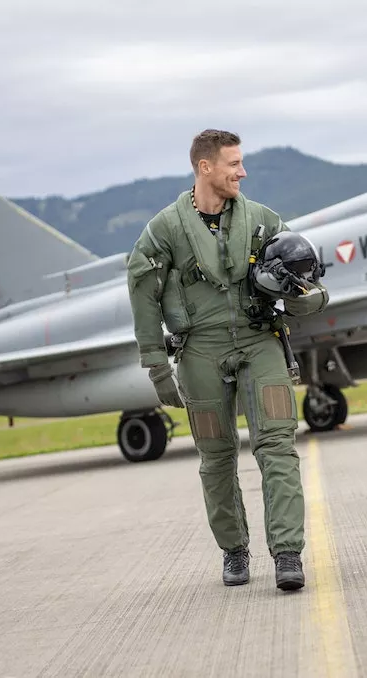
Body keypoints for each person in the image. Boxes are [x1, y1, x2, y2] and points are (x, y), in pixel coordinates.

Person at [126, 129, 329, 590]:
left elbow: (308, 283)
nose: (243, 171)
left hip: (260, 342)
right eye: (234, 164)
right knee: (215, 458)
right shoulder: (164, 230)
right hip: (200, 351)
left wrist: (302, 296)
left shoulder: (262, 220)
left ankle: (287, 554)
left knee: (277, 447)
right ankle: (235, 551)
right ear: (205, 168)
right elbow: (143, 295)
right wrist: (156, 365)